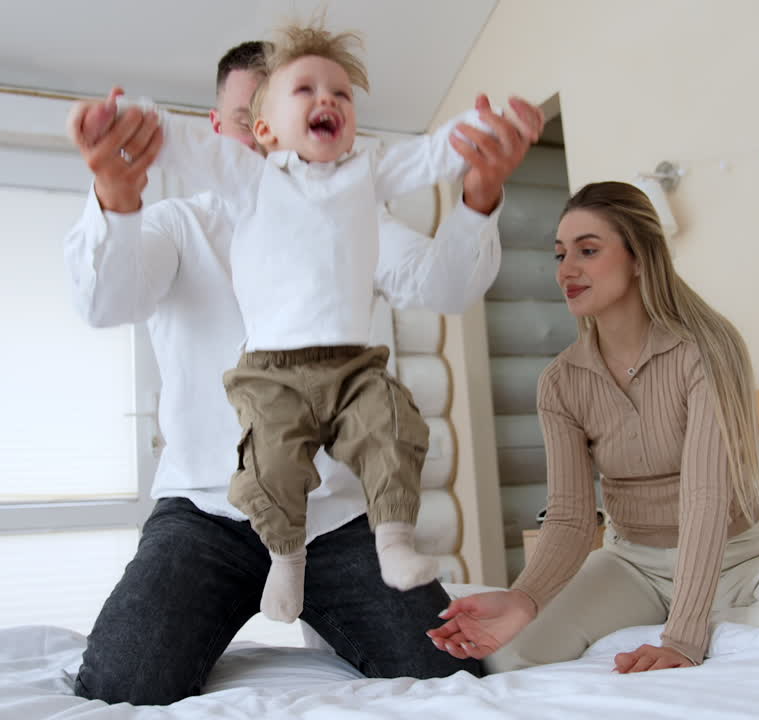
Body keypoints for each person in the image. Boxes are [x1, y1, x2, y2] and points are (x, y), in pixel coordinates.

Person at [63, 39, 543, 705]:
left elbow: (446, 285)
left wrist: (479, 194)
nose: (272, 143)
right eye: (250, 118)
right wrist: (117, 190)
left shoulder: (353, 218)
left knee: (450, 681)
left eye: (325, 100)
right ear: (228, 129)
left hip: (336, 520)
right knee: (122, 686)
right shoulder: (178, 227)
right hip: (208, 513)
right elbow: (106, 300)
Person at [428, 181, 759, 674]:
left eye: (588, 251)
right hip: (631, 563)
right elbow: (572, 517)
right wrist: (524, 598)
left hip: (737, 558)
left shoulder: (707, 349)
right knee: (510, 654)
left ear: (639, 257)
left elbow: (706, 497)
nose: (566, 271)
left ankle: (698, 614)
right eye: (560, 255)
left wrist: (683, 637)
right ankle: (685, 614)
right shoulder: (560, 382)